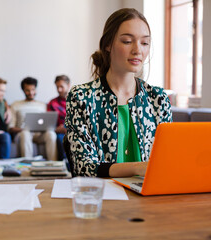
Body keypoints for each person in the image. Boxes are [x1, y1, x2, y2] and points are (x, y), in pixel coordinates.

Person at [65, 8, 172, 177]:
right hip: (103, 198)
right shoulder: (82, 97)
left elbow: (168, 161)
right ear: (108, 44)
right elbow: (84, 168)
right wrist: (138, 167)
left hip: (150, 198)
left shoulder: (158, 99)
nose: (138, 50)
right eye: (128, 41)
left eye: (144, 43)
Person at [9, 77, 57, 160]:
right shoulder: (15, 105)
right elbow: (10, 128)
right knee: (25, 133)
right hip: (23, 133)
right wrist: (23, 129)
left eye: (33, 89)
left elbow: (47, 122)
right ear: (23, 90)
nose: (31, 92)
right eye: (27, 90)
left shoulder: (43, 105)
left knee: (51, 134)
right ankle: (28, 164)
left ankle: (54, 164)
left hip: (39, 134)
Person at [47, 75, 71, 160]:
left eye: (61, 87)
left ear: (68, 85)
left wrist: (67, 128)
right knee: (61, 138)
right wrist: (56, 129)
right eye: (57, 87)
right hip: (59, 132)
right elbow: (48, 123)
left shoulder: (76, 100)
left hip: (74, 130)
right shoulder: (52, 103)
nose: (59, 90)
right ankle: (64, 165)